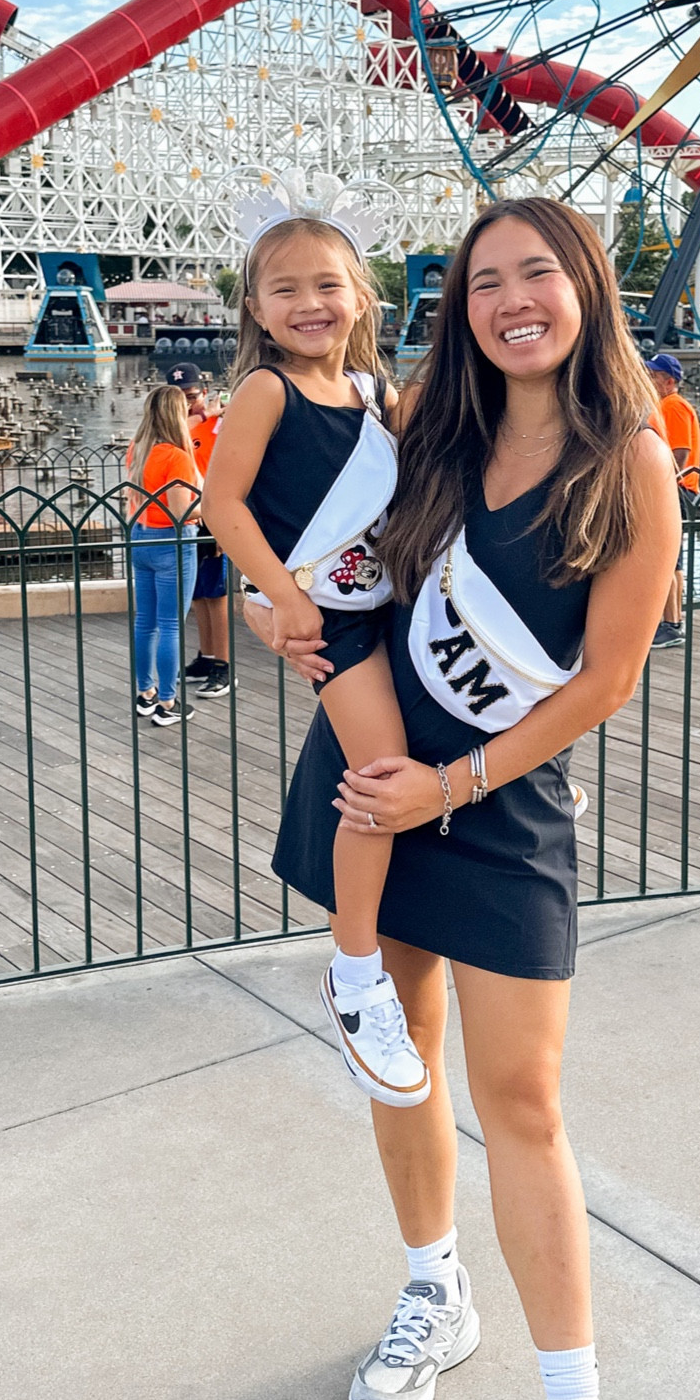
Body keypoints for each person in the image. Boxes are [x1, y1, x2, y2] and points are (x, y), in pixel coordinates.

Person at [263, 198, 680, 1400]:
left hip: (495, 803)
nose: (512, 300)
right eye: (485, 280)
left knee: (525, 1103)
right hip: (379, 779)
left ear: (585, 289)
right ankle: (433, 1291)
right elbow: (332, 567)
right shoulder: (423, 433)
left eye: (537, 273)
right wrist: (277, 612)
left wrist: (455, 783)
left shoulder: (632, 463)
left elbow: (605, 679)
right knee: (401, 1059)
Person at [203, 213, 429, 1107]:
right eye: (285, 288)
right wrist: (277, 597)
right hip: (331, 619)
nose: (310, 303)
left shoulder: (375, 396)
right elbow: (223, 503)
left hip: (389, 606)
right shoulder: (266, 391)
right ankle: (356, 974)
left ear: (361, 297)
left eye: (328, 284)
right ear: (256, 308)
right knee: (378, 780)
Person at [125, 383, 201, 728]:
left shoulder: (137, 449)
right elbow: (181, 512)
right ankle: (168, 701)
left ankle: (146, 693)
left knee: (146, 621)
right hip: (172, 542)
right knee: (171, 624)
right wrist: (213, 505)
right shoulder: (177, 457)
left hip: (140, 537)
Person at [161, 360, 234, 698]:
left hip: (211, 513)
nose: (188, 404)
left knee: (216, 594)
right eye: (179, 398)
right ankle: (206, 656)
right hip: (188, 515)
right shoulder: (177, 427)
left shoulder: (219, 425)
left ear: (205, 393)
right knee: (199, 593)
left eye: (192, 396)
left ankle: (223, 665)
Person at [647, 351, 700, 650]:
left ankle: (670, 624)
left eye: (654, 376)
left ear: (669, 381)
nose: (648, 379)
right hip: (679, 487)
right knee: (672, 560)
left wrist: (662, 484)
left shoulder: (673, 406)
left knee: (663, 558)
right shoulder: (667, 404)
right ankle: (673, 620)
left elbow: (680, 452)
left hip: (675, 487)